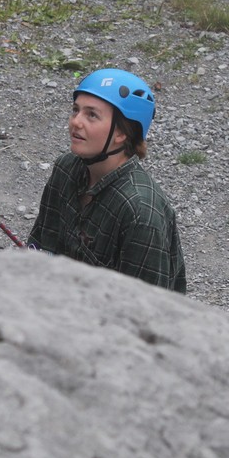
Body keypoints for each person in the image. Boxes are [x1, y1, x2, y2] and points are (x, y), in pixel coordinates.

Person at [27, 69, 187, 293]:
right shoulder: (66, 169)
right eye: (76, 110)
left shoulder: (141, 212)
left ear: (122, 132)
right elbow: (41, 246)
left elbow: (146, 311)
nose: (76, 122)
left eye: (91, 115)